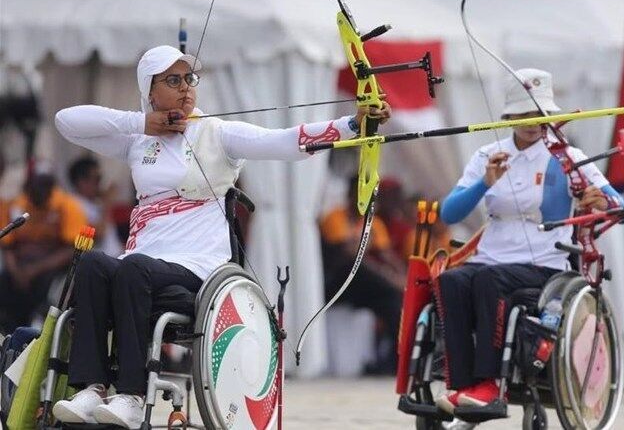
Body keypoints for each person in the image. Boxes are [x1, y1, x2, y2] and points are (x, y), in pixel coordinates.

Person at [51, 45, 390, 428]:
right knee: (94, 263)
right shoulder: (137, 140)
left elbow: (284, 141)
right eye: (172, 80)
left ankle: (130, 395)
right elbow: (67, 121)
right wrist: (141, 123)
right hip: (143, 264)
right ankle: (91, 389)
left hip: (197, 269)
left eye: (189, 79)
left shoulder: (218, 133)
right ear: (150, 91)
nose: (185, 88)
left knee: (133, 271)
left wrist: (353, 124)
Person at [433, 69, 624, 413]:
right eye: (523, 114)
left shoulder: (568, 158)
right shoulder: (487, 155)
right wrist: (485, 183)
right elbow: (449, 213)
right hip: (490, 258)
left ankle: (490, 385)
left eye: (538, 114)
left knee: (487, 280)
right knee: (450, 280)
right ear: (509, 117)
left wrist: (604, 202)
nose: (532, 122)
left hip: (544, 265)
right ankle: (462, 386)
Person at [319, 174, 404, 374]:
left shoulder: (373, 222)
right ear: (350, 194)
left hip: (361, 288)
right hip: (335, 285)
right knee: (361, 267)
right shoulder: (335, 217)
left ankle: (393, 362)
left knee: (392, 300)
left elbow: (387, 255)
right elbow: (348, 255)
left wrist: (404, 276)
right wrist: (390, 278)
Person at [0, 166, 88, 333]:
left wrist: (34, 270)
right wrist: (16, 271)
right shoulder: (19, 204)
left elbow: (72, 251)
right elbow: (7, 245)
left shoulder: (68, 206)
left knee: (44, 289)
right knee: (5, 284)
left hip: (50, 268)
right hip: (19, 266)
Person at [67, 155, 124, 258]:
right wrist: (107, 203)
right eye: (97, 179)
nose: (100, 184)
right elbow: (95, 237)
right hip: (100, 264)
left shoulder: (95, 203)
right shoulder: (74, 205)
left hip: (115, 258)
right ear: (82, 182)